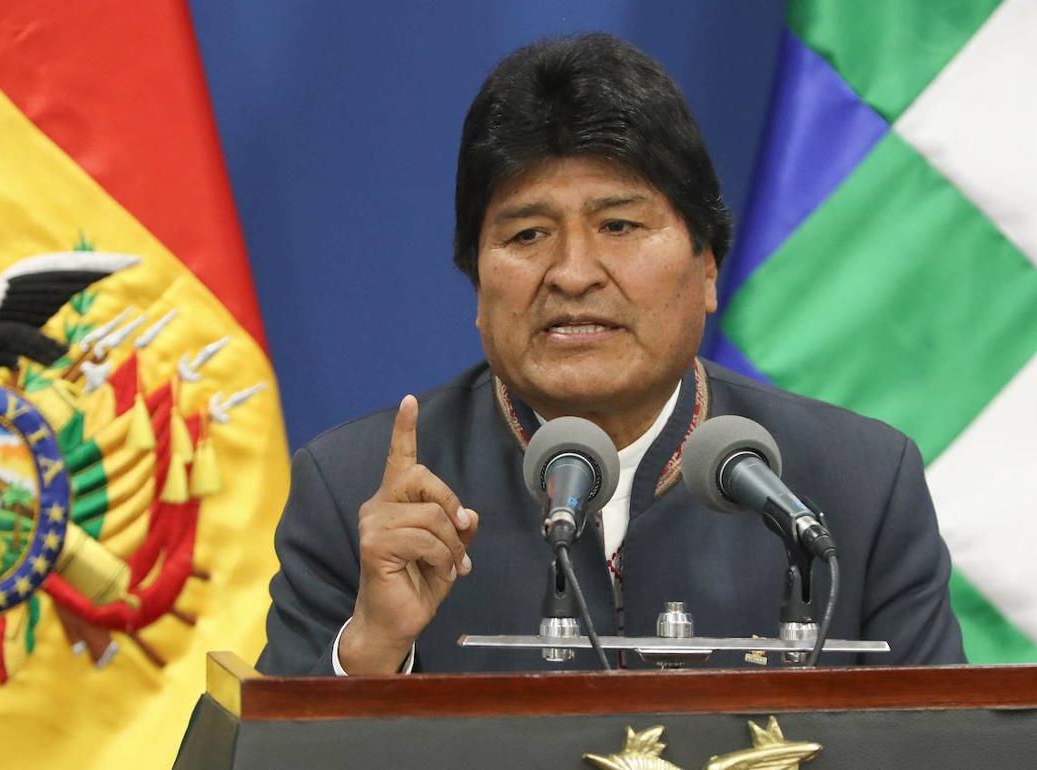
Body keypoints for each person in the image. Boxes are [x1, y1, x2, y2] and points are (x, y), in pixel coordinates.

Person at [256, 33, 965, 676]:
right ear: (477, 284)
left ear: (707, 268)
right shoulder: (358, 495)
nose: (572, 274)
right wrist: (370, 652)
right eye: (527, 235)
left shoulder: (856, 487)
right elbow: (254, 750)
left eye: (620, 225)